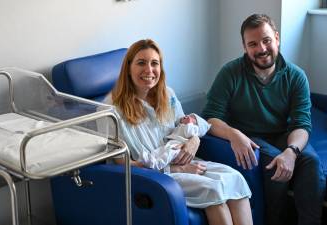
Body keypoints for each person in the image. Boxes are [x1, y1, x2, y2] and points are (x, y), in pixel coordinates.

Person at [105, 39, 253, 225]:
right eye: (141, 63)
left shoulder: (167, 95)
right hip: (154, 175)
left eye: (154, 63)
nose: (149, 70)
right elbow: (121, 165)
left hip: (186, 161)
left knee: (235, 178)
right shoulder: (111, 110)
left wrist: (194, 141)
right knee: (213, 190)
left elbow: (186, 127)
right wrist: (177, 168)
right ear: (128, 68)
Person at [202, 14, 326, 225]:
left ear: (276, 38)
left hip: (282, 135)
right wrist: (234, 134)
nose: (261, 49)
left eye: (266, 40)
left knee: (311, 163)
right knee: (273, 162)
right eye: (253, 44)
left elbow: (302, 124)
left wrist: (292, 151)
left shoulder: (296, 76)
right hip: (247, 136)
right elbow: (210, 118)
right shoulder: (230, 73)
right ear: (244, 47)